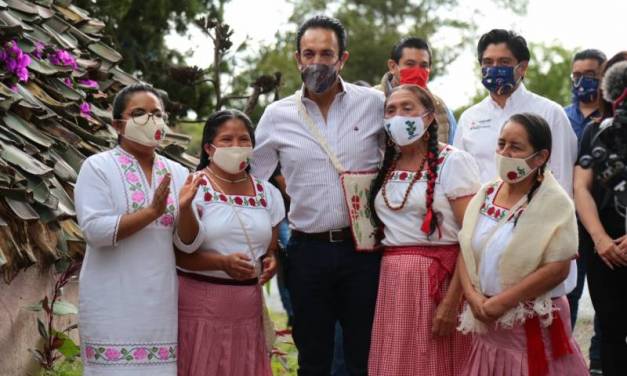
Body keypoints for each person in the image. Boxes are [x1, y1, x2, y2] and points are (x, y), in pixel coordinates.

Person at [251, 15, 385, 375]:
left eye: (327, 54)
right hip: (306, 252)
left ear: (343, 59)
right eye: (309, 53)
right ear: (297, 59)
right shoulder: (277, 116)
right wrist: (270, 245)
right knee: (312, 358)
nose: (317, 62)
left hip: (364, 254)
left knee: (363, 355)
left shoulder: (373, 104)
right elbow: (255, 183)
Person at [75, 84, 201, 376]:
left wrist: (185, 210)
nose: (151, 120)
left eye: (157, 114)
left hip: (159, 307)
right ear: (118, 123)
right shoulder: (97, 167)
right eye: (140, 113)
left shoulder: (178, 172)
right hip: (112, 303)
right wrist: (150, 213)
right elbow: (95, 231)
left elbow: (189, 244)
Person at [457, 113, 587, 376]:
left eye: (516, 147)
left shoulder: (555, 203)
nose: (505, 152)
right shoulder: (486, 193)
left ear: (540, 157)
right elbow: (466, 249)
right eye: (501, 144)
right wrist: (474, 299)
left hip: (529, 323)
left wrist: (501, 303)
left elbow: (558, 268)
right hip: (487, 322)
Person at [368, 84, 480, 375]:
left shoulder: (452, 162)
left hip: (439, 285)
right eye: (390, 110)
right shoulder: (385, 164)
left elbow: (471, 238)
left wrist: (451, 301)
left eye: (407, 108)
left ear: (429, 118)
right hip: (393, 282)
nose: (397, 116)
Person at [172, 109, 284, 376]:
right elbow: (179, 253)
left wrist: (271, 260)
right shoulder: (194, 188)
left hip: (247, 305)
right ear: (209, 148)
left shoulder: (267, 193)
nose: (237, 147)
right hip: (201, 305)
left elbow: (270, 247)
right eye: (227, 140)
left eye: (244, 140)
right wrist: (221, 263)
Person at [454, 29, 577, 194]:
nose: (494, 68)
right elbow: (459, 180)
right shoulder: (469, 118)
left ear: (523, 67)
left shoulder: (550, 113)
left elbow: (562, 179)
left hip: (536, 215)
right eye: (488, 62)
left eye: (504, 62)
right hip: (481, 215)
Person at [574, 52, 627, 376]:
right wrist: (600, 239)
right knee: (610, 332)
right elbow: (581, 187)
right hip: (603, 246)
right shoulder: (594, 131)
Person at [563, 48, 606, 375]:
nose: (582, 81)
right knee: (569, 295)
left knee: (608, 300)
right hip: (568, 221)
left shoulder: (613, 117)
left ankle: (599, 364)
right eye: (577, 75)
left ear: (604, 76)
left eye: (589, 75)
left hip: (607, 219)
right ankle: (566, 360)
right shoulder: (561, 117)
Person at [376, 36, 457, 144]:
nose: (417, 72)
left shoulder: (441, 109)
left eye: (423, 65)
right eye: (410, 64)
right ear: (392, 66)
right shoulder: (371, 100)